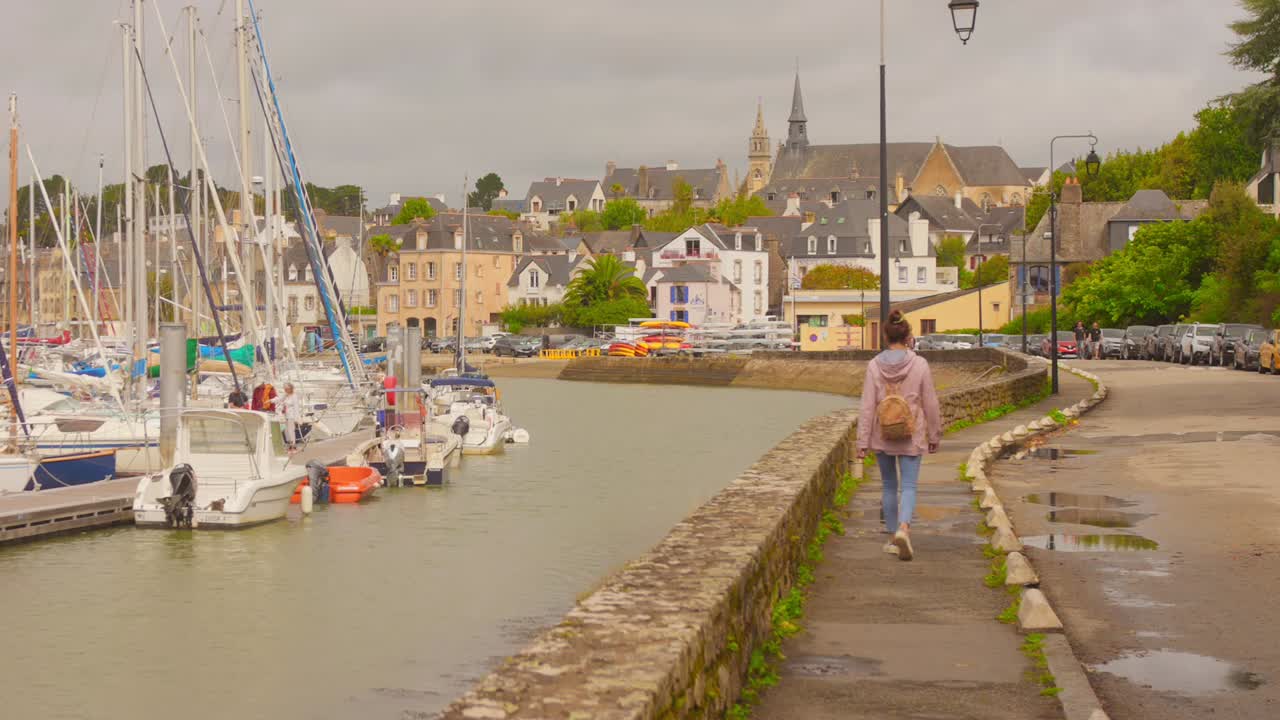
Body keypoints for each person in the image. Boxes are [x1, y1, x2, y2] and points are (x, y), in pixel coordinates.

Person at [857, 310, 942, 561]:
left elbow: (867, 406)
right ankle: (904, 528)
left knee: (888, 485)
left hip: (882, 433)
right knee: (908, 486)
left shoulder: (874, 365)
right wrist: (934, 434)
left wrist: (862, 441)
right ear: (908, 336)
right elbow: (931, 402)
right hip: (911, 432)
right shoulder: (919, 364)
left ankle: (894, 536)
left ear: (885, 336)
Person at [278, 382, 303, 452]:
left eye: (287, 389)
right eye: (285, 389)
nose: (285, 390)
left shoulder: (294, 396)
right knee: (286, 431)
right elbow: (279, 400)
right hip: (286, 415)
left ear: (290, 388)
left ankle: (293, 445)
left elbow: (296, 407)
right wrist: (271, 401)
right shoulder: (286, 395)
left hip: (291, 416)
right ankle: (289, 444)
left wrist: (297, 418)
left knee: (291, 430)